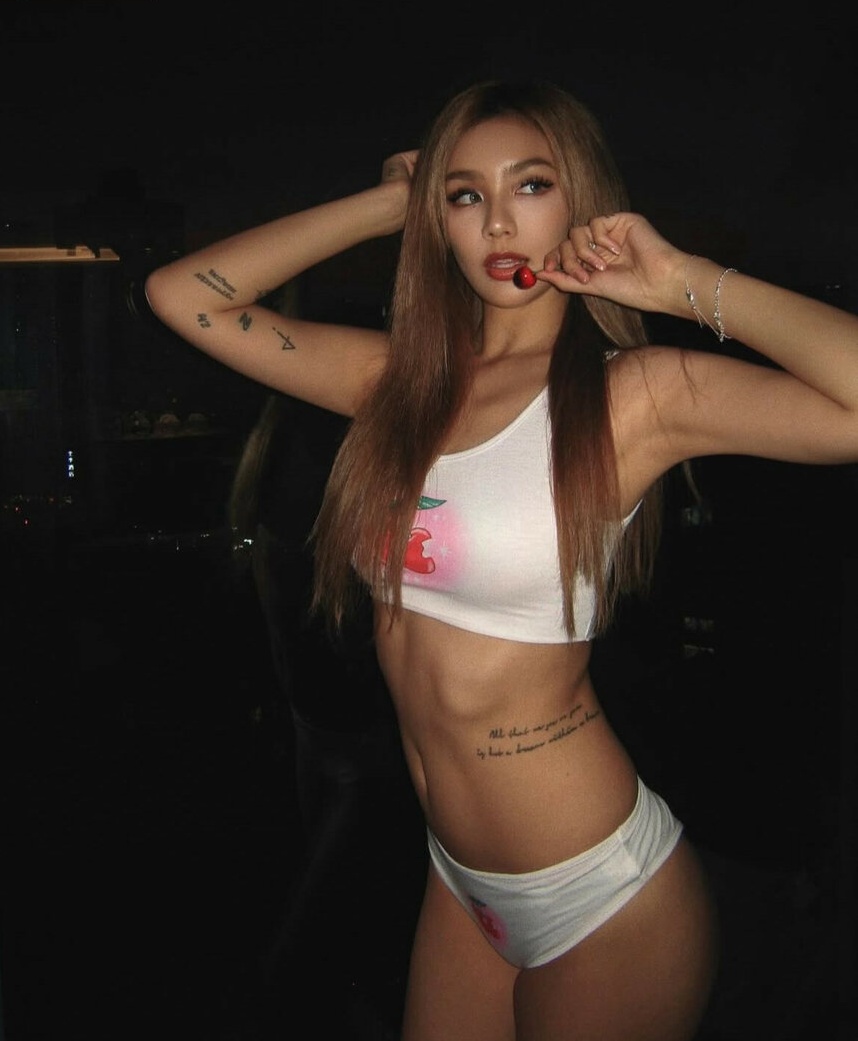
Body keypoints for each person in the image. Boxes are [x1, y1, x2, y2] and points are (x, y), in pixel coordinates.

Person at [144, 78, 858, 1041]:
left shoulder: (634, 395)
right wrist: (388, 204)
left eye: (530, 185)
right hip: (459, 877)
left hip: (600, 896)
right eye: (464, 195)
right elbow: (183, 296)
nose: (496, 222)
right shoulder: (395, 385)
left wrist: (682, 282)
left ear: (580, 199)